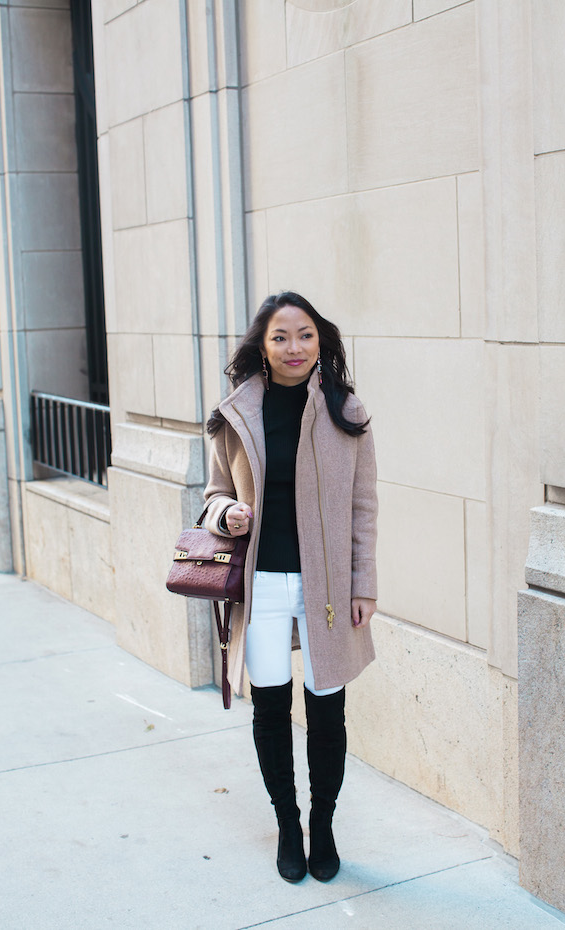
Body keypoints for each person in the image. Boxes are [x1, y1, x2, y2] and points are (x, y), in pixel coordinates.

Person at [203, 291, 378, 883]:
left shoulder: (344, 410)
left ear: (320, 340)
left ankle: (323, 826)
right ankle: (287, 823)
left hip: (326, 589)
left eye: (304, 335)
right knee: (271, 709)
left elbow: (363, 506)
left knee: (328, 713)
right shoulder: (238, 413)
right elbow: (213, 496)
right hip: (262, 588)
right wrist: (228, 513)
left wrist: (364, 584)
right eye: (281, 337)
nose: (294, 347)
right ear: (263, 345)